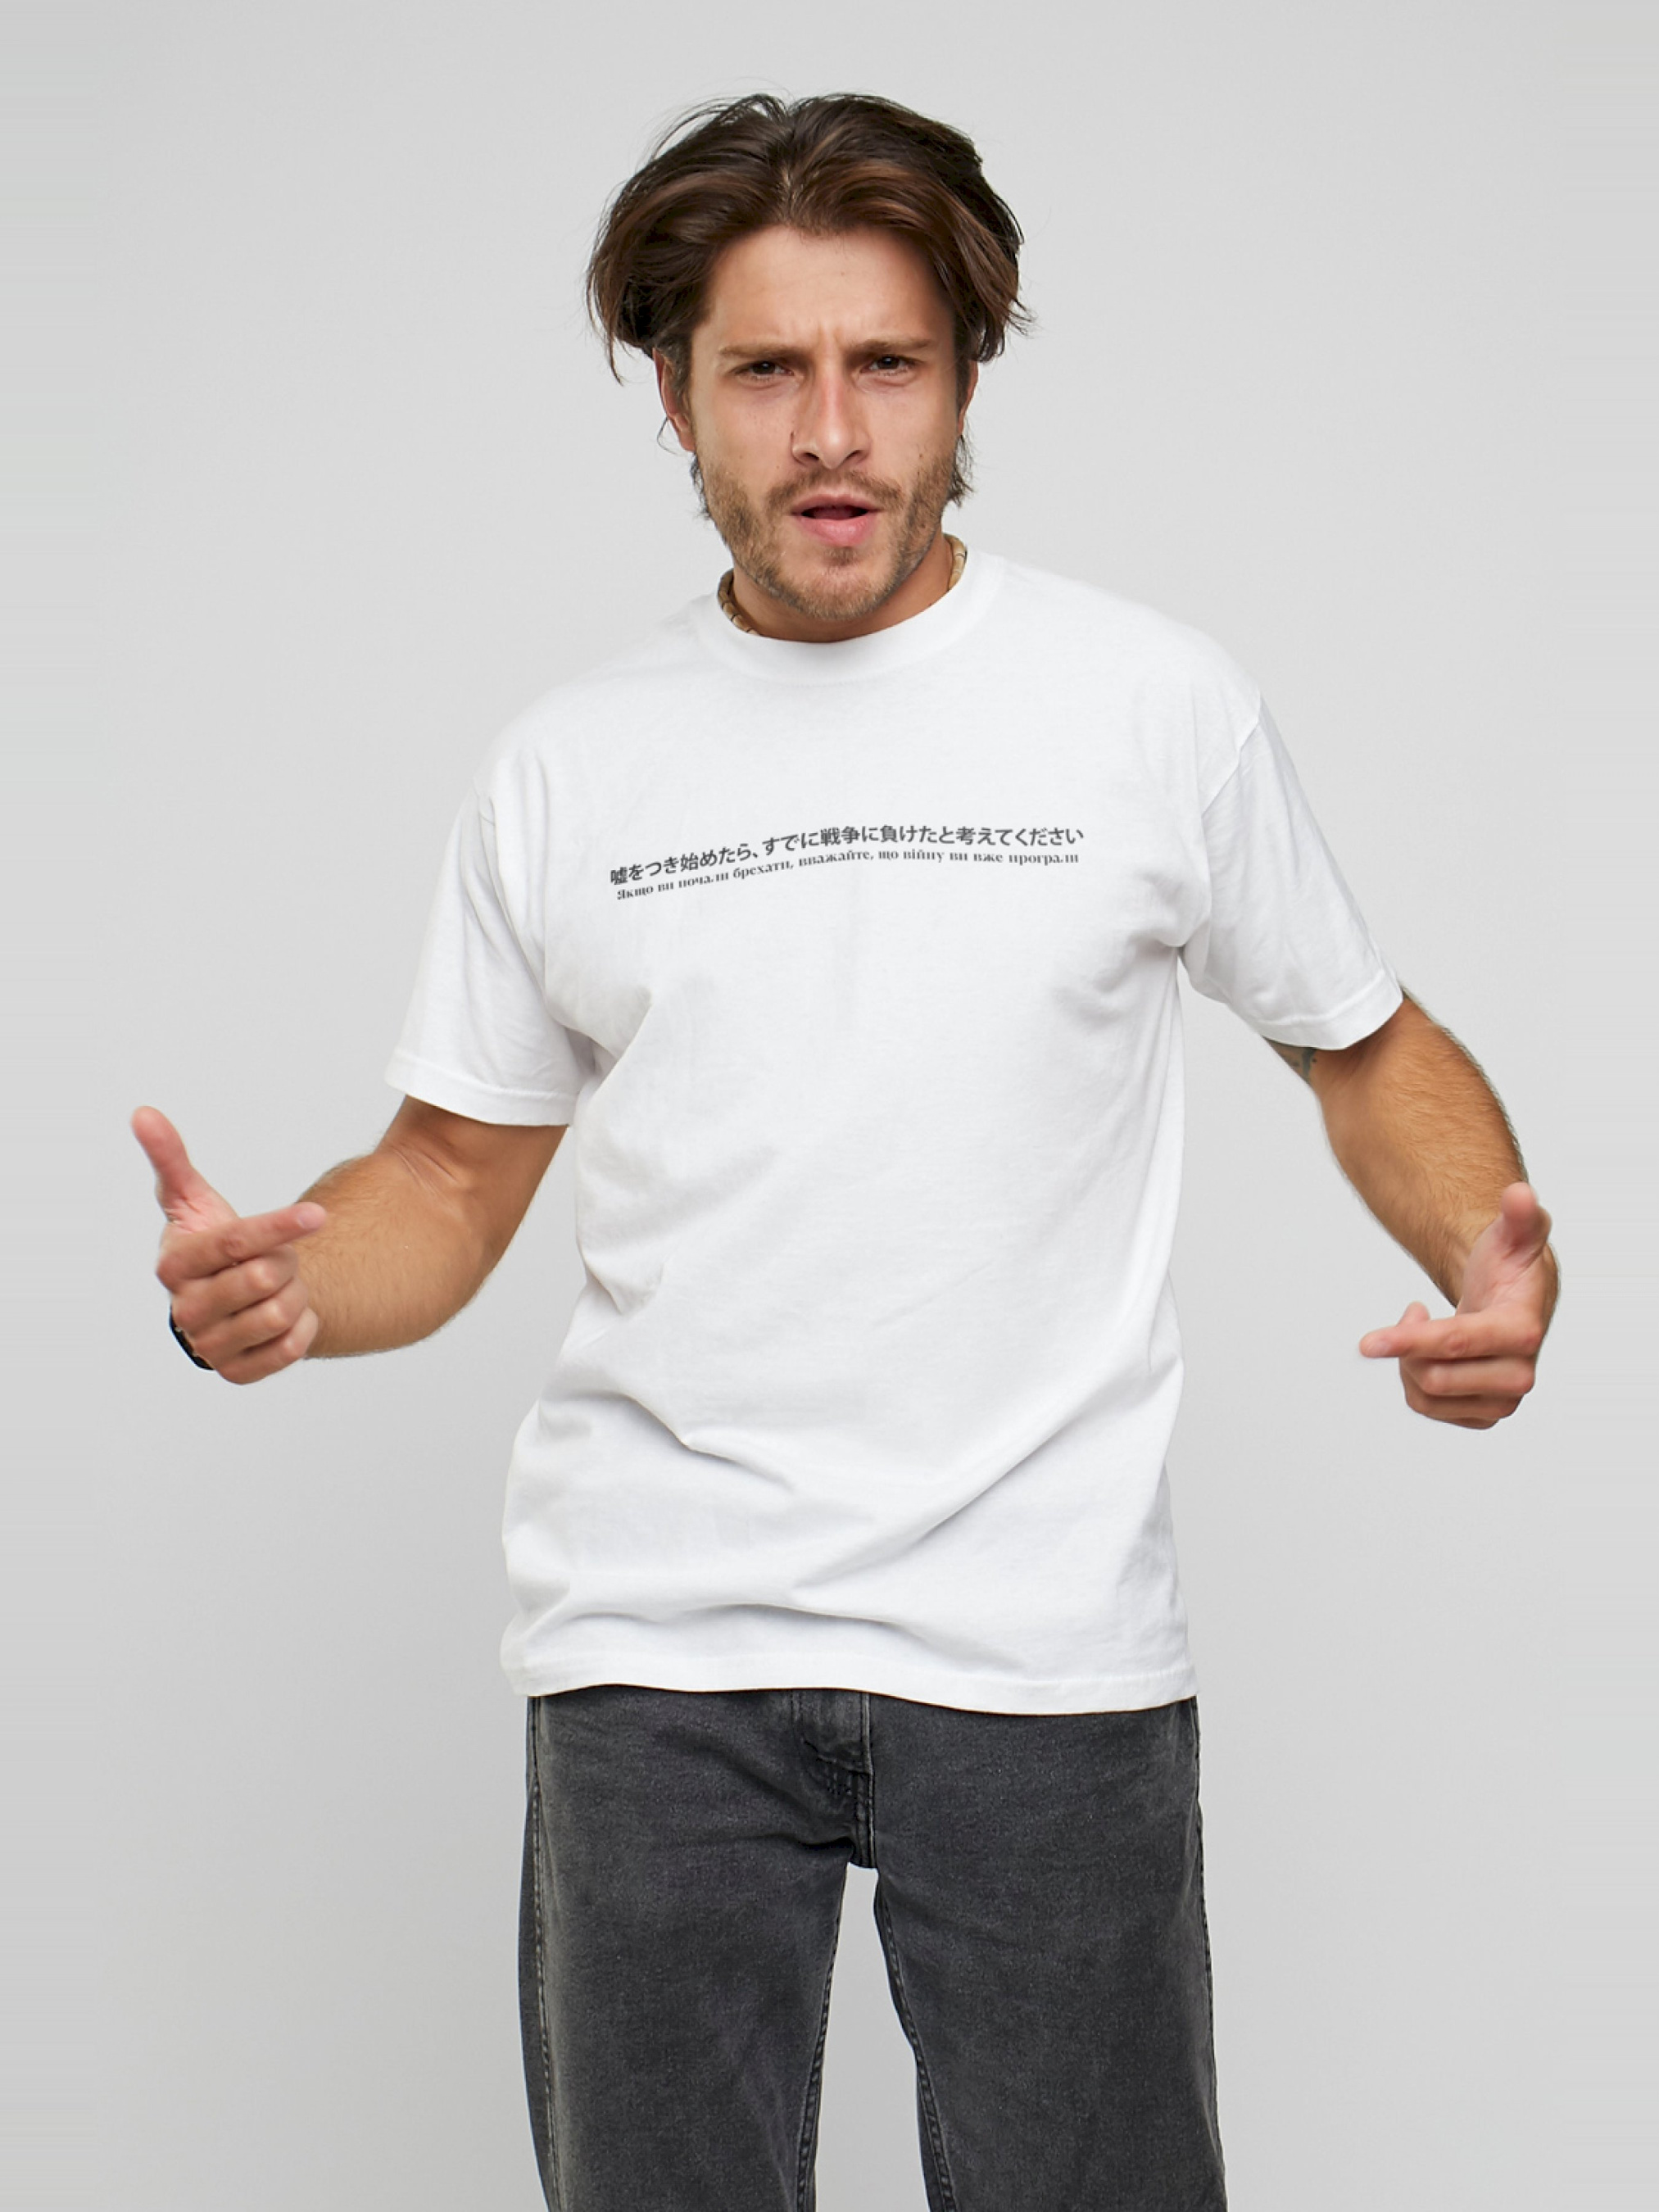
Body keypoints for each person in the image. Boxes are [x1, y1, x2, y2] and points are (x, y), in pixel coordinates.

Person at [134, 91, 1558, 2212]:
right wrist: (285, 1289)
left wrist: (1484, 1256)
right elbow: (443, 1176)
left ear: (963, 377)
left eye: (884, 362)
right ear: (673, 396)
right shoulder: (570, 765)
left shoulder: (1148, 706)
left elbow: (1364, 1045)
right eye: (764, 370)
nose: (829, 432)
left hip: (1044, 1635)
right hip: (658, 1654)